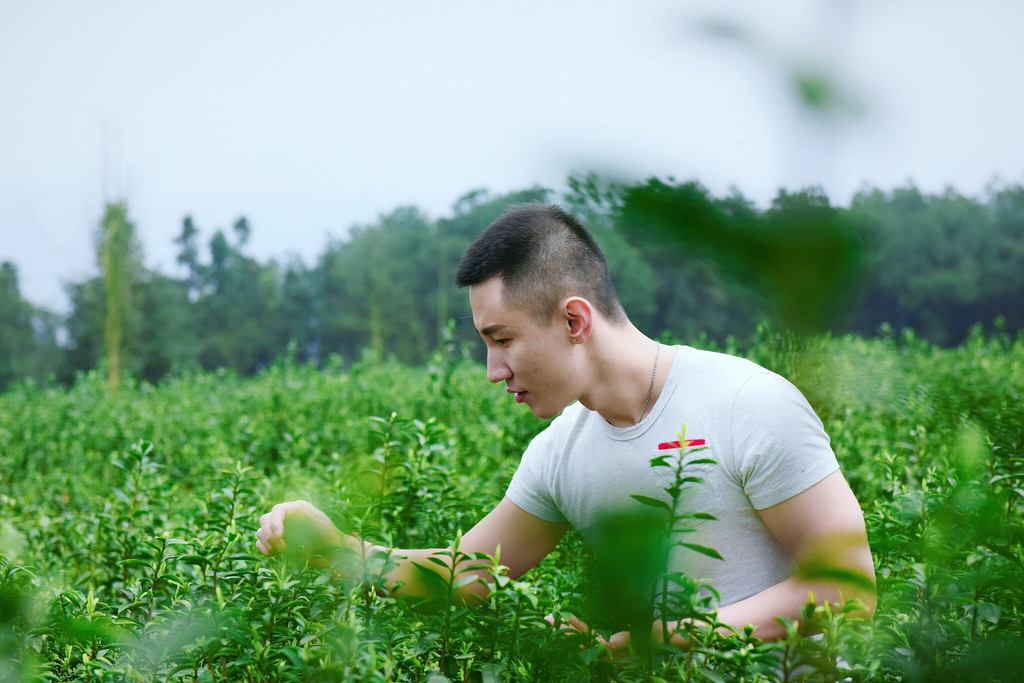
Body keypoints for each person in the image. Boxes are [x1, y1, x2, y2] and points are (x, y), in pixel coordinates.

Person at [255, 202, 876, 655]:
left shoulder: (748, 404)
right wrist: (334, 549)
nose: (493, 372)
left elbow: (848, 588)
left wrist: (656, 645)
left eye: (502, 341)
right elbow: (468, 575)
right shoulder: (559, 451)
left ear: (574, 320)